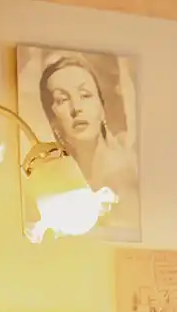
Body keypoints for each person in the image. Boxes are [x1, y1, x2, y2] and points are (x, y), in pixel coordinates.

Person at [36, 52, 141, 239]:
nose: (76, 107)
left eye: (85, 95)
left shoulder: (126, 170)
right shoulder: (51, 186)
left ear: (102, 107)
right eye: (62, 100)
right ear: (52, 120)